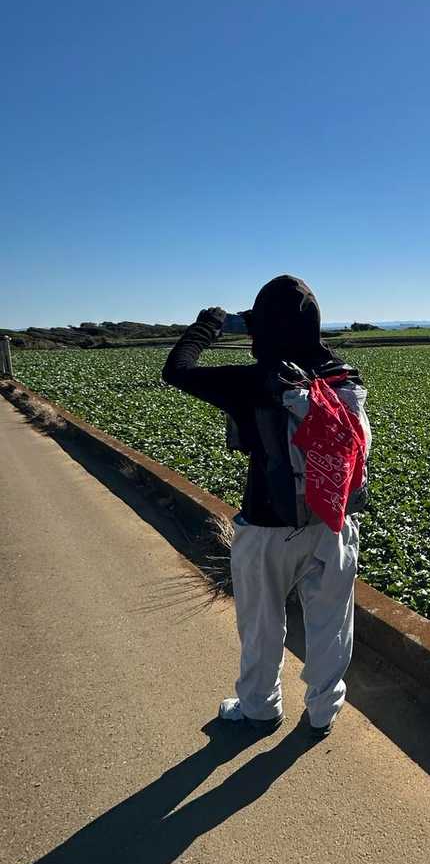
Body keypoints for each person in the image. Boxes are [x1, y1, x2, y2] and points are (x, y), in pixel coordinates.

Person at [162, 275, 371, 737]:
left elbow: (176, 370)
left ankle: (260, 707)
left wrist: (206, 327)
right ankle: (323, 711)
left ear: (265, 329)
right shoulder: (344, 376)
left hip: (267, 527)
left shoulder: (255, 381)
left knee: (261, 623)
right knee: (332, 623)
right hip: (336, 522)